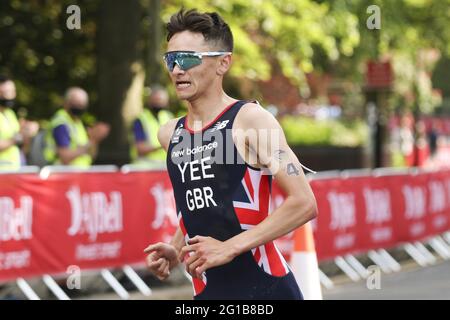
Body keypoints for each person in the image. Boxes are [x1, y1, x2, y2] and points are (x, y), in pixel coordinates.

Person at [144, 9, 317, 300]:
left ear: (223, 62)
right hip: (209, 292)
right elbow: (201, 202)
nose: (177, 70)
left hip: (265, 290)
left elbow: (304, 203)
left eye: (188, 58)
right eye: (171, 60)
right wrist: (176, 247)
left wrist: (230, 246)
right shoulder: (170, 133)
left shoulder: (250, 120)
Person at [44, 87, 109, 167]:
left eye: (82, 104)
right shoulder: (61, 124)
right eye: (76, 103)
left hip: (79, 174)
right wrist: (89, 143)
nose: (79, 106)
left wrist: (94, 140)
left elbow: (91, 155)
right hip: (64, 175)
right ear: (66, 103)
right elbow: (65, 158)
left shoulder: (78, 123)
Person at [0, 75, 37, 170]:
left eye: (12, 92)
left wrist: (27, 133)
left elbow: (21, 144)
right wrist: (17, 138)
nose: (9, 96)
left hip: (13, 169)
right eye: (5, 92)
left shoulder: (10, 114)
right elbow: (16, 139)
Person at [130, 85, 173, 166]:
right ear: (150, 100)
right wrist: (164, 145)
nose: (159, 103)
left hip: (165, 166)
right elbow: (140, 148)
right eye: (156, 100)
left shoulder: (169, 116)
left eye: (161, 100)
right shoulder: (141, 119)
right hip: (146, 167)